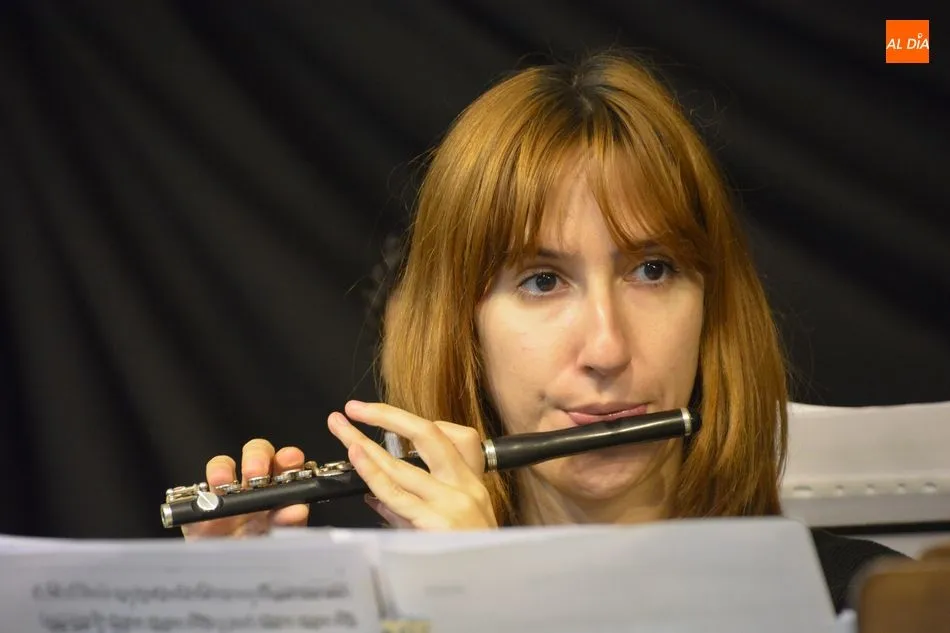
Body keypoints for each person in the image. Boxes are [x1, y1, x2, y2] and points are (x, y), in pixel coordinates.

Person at [181, 49, 903, 611]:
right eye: (542, 280)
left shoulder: (867, 599)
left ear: (713, 308)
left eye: (652, 270)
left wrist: (494, 600)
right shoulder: (378, 609)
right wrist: (246, 609)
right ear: (464, 333)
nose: (607, 349)